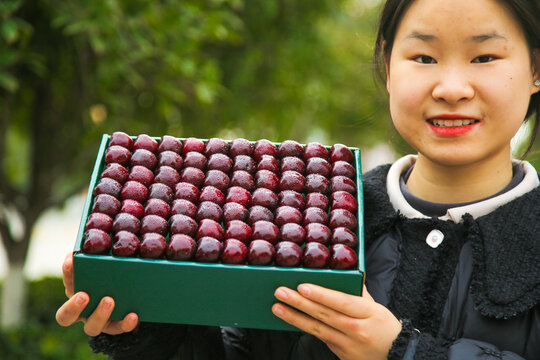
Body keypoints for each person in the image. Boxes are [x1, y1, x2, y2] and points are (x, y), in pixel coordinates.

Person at [56, 0, 540, 358]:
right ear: (388, 66)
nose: (451, 88)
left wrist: (399, 351)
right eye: (424, 57)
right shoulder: (316, 210)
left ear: (536, 68)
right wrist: (149, 327)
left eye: (484, 58)